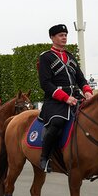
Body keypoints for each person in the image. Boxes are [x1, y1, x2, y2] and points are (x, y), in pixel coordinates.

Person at [36, 24, 93, 173]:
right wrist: (65, 97)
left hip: (75, 97)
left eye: (65, 35)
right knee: (57, 122)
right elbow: (45, 83)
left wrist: (87, 91)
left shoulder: (70, 57)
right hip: (55, 100)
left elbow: (80, 79)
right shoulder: (46, 57)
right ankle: (45, 157)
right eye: (61, 35)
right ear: (52, 38)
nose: (64, 37)